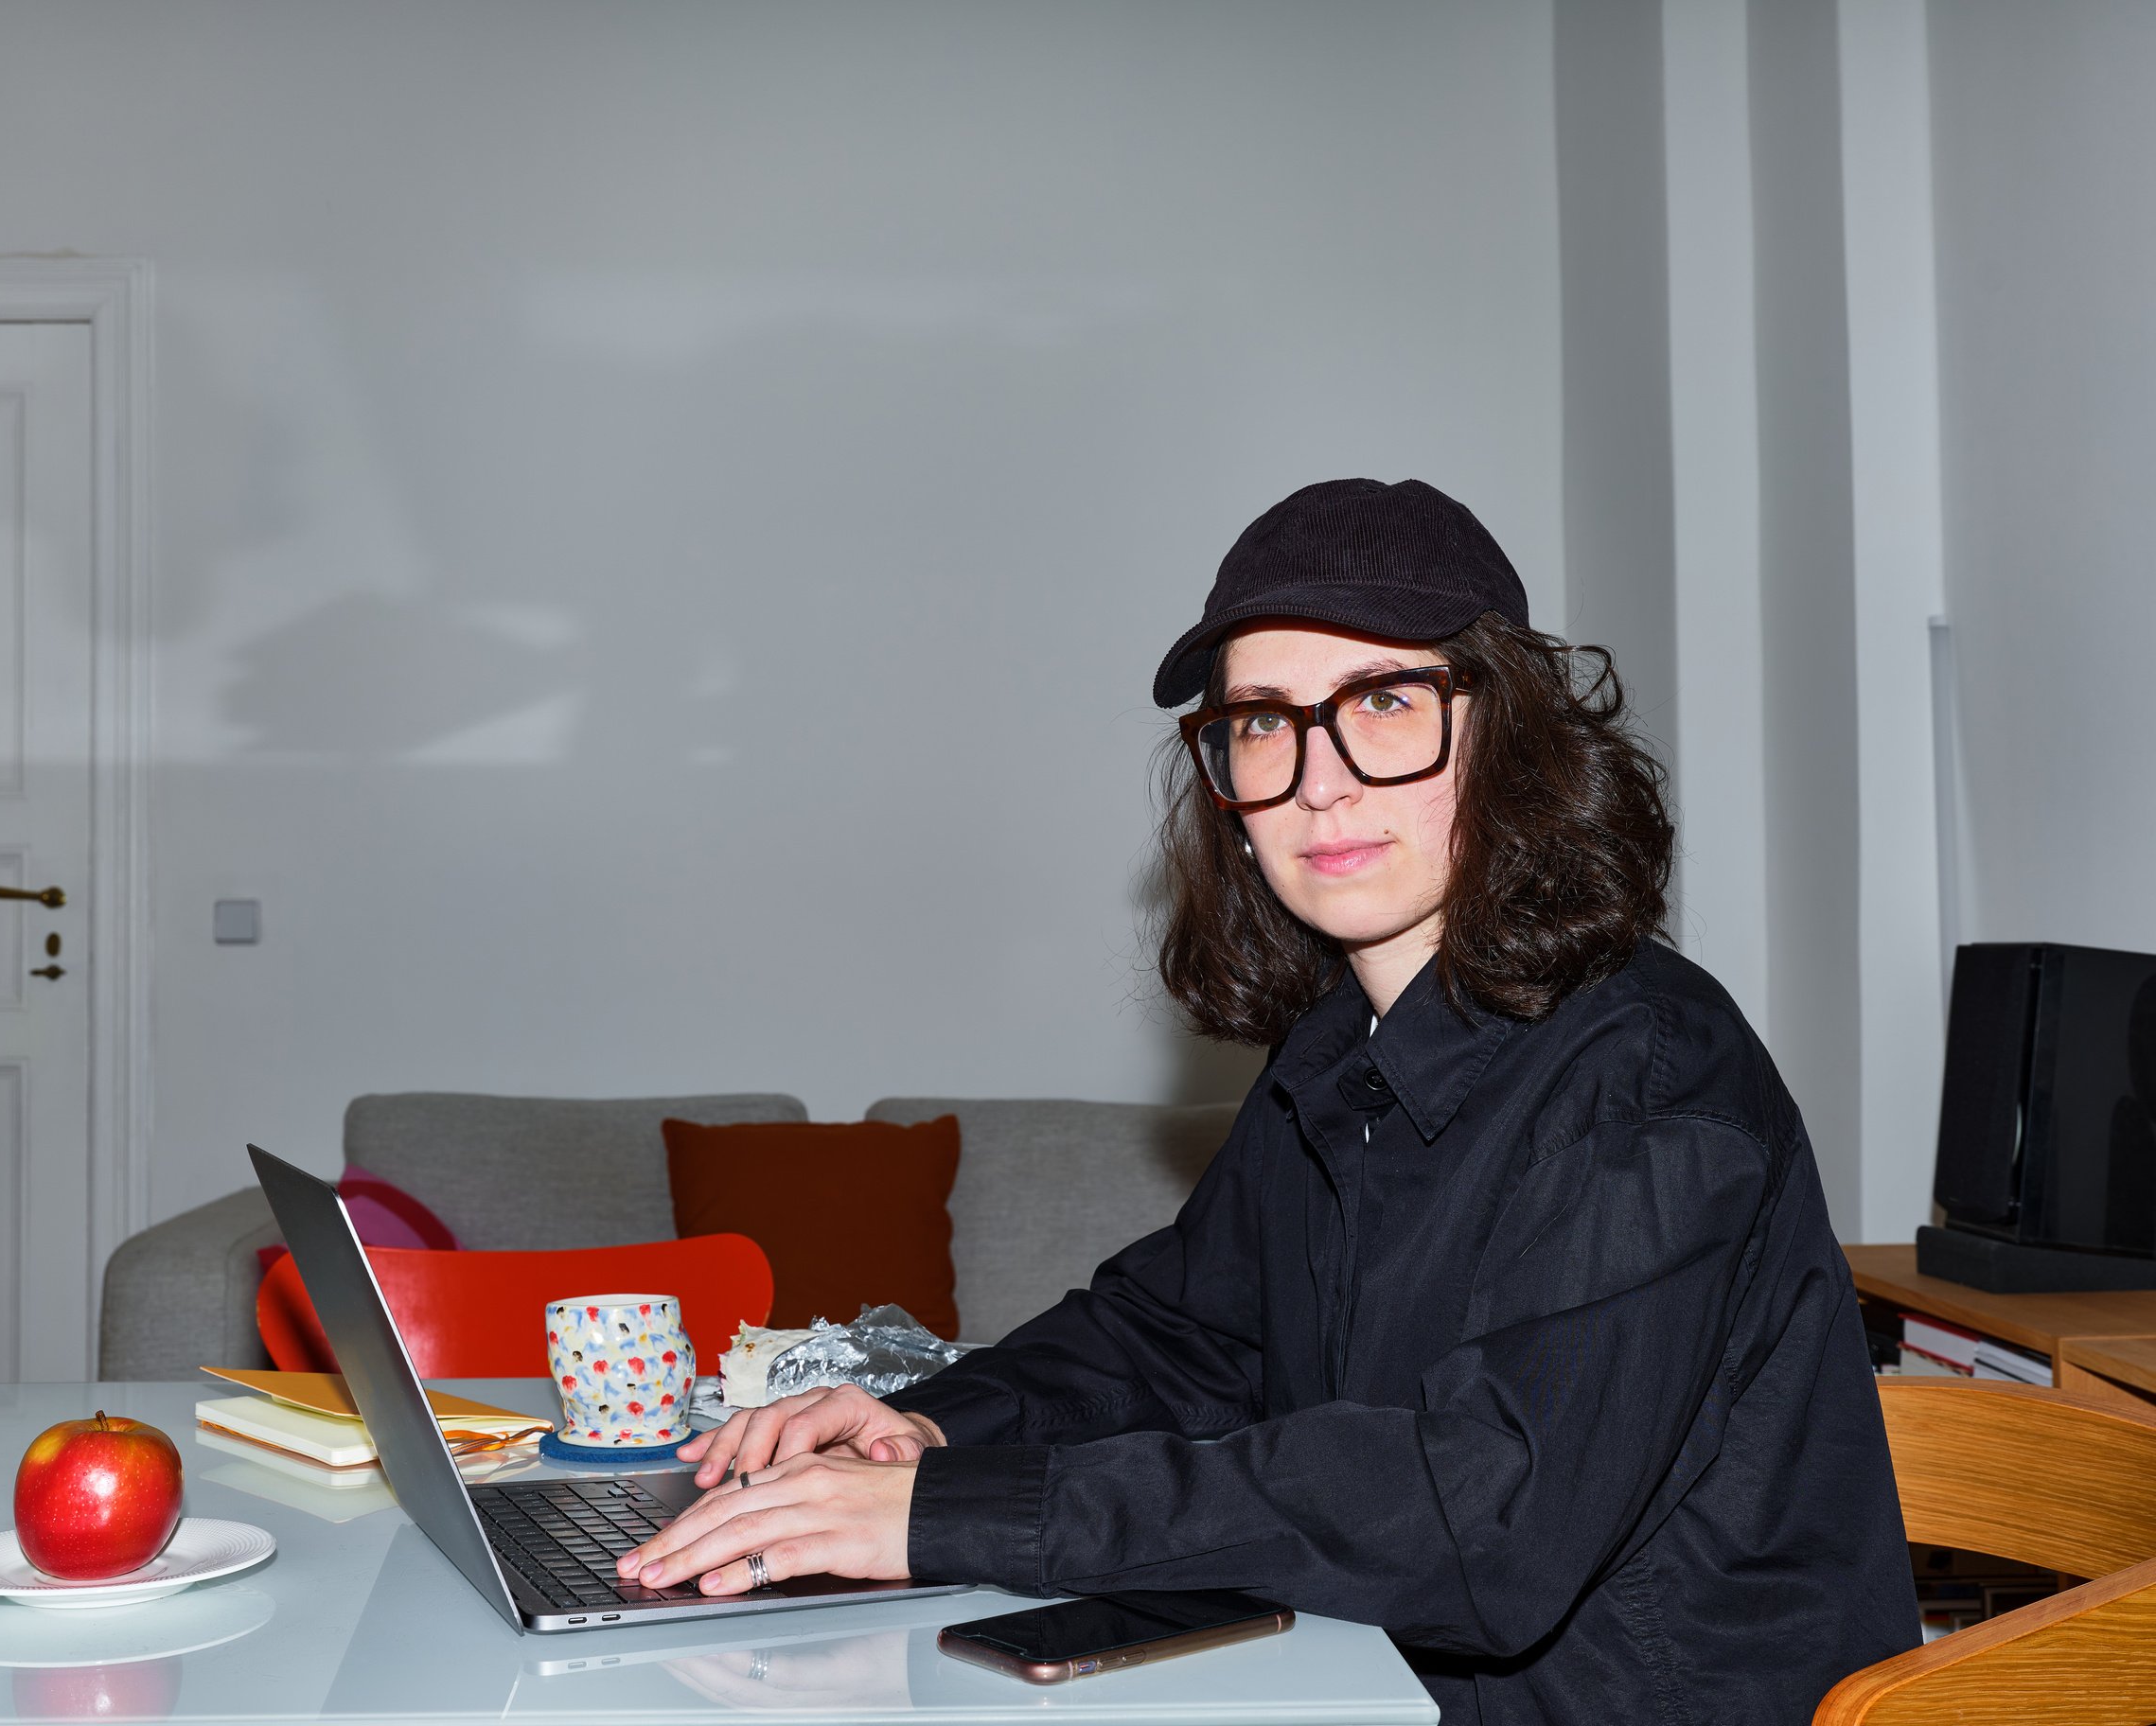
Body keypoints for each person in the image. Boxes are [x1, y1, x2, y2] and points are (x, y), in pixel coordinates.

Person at [620, 479, 1921, 1723]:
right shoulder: (1339, 1047)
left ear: (1511, 737)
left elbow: (1484, 1515)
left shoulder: (1645, 1076)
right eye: (1262, 722)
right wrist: (930, 1426)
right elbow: (1179, 1336)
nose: (1319, 777)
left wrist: (949, 1516)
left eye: (1388, 700)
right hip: (1376, 1685)